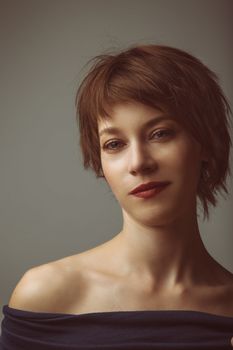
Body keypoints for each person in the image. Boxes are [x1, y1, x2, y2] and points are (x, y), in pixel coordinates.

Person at [1, 44, 233, 349]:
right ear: (99, 163)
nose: (139, 162)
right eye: (114, 144)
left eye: (160, 133)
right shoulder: (46, 295)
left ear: (204, 141)